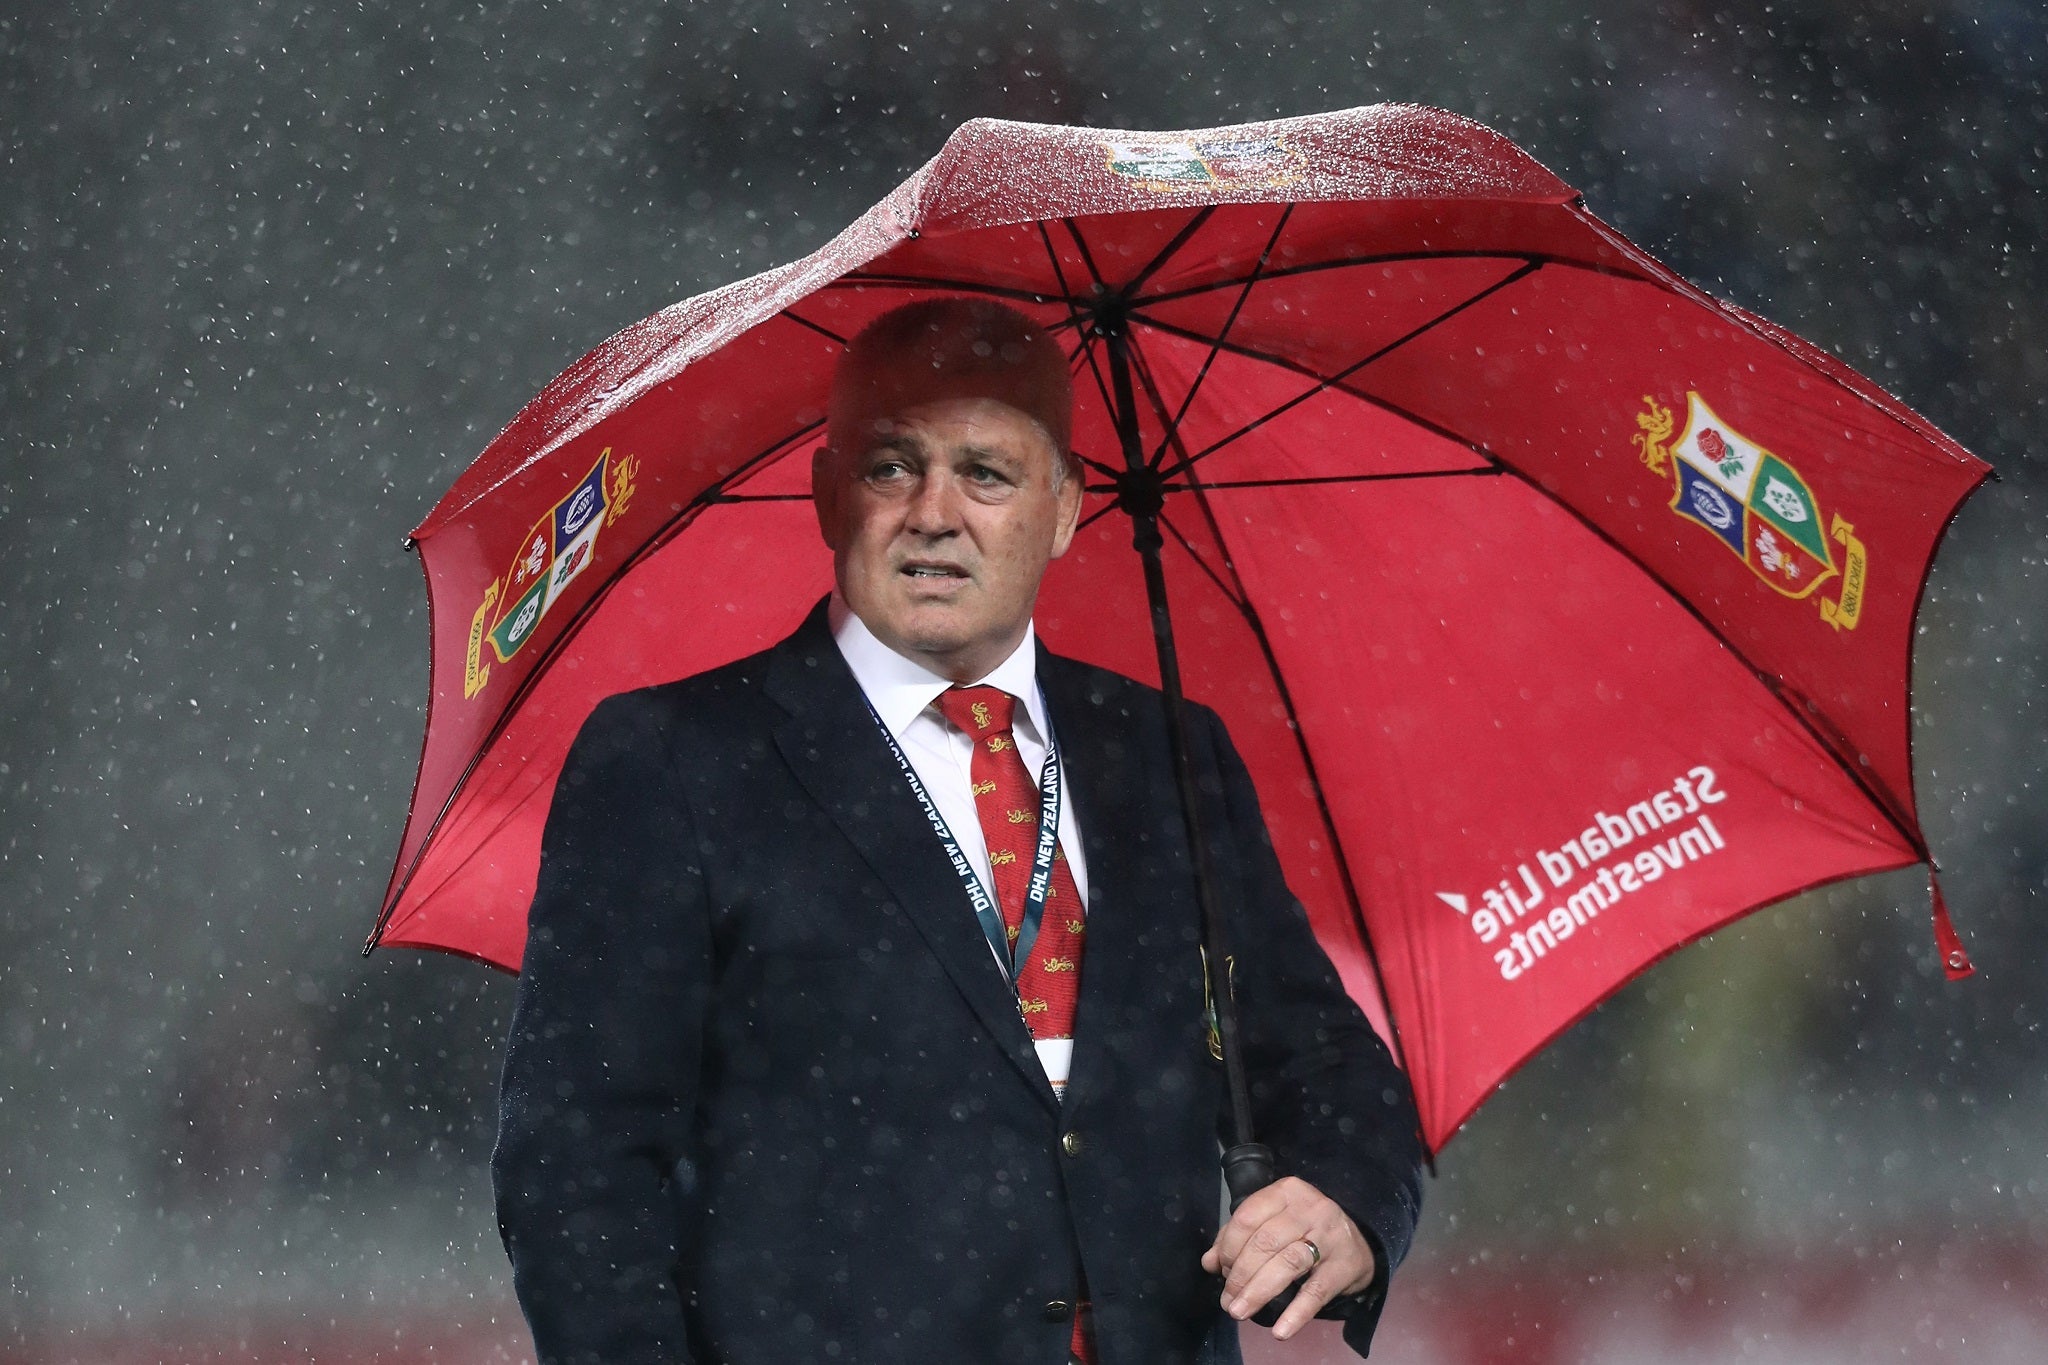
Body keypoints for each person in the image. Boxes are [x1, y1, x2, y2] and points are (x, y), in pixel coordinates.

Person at [492, 297, 1424, 1365]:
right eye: (892, 466)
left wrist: (1345, 1202)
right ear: (826, 494)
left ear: (1066, 508)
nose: (934, 512)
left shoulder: (1166, 754)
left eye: (985, 474)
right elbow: (579, 1166)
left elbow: (1318, 1060)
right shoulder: (673, 758)